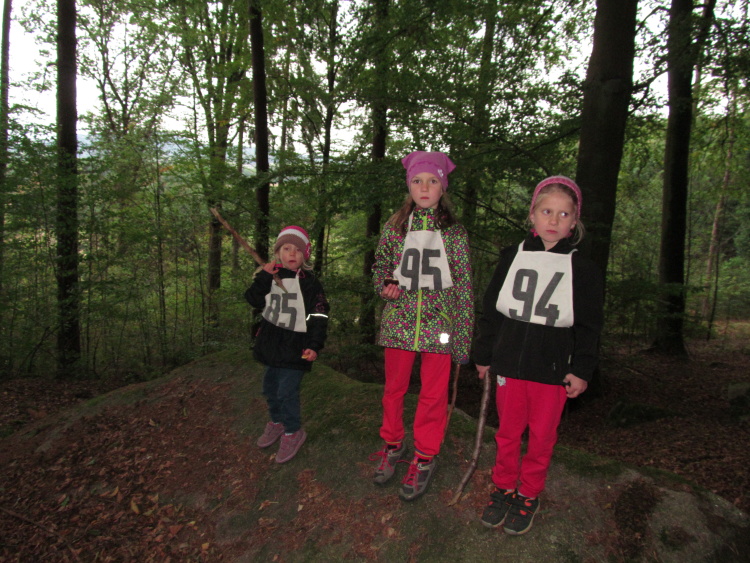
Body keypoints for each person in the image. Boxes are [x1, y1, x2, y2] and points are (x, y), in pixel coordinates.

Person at [473, 175, 603, 535]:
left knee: (542, 436)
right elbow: (491, 310)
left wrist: (582, 369)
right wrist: (483, 354)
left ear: (574, 222)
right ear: (532, 214)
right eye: (547, 211)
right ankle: (503, 487)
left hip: (552, 370)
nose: (554, 220)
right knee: (508, 432)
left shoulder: (582, 268)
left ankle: (529, 493)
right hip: (508, 364)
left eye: (564, 214)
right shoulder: (511, 256)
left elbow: (590, 326)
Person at [370, 150, 474, 501]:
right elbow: (381, 266)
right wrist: (385, 283)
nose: (424, 188)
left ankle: (425, 455)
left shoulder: (454, 234)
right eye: (417, 181)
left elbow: (464, 288)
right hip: (399, 323)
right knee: (393, 389)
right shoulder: (395, 228)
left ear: (443, 187)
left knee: (433, 395)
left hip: (439, 328)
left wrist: (462, 340)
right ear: (409, 186)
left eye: (432, 181)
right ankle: (392, 443)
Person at [245, 226, 330, 464]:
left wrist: (314, 345)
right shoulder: (270, 276)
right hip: (272, 345)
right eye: (286, 248)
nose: (292, 253)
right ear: (278, 253)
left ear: (305, 255)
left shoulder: (310, 284)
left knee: (286, 391)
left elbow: (319, 316)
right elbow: (252, 299)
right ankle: (277, 421)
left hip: (296, 347)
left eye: (297, 250)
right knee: (270, 388)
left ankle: (293, 431)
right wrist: (264, 276)